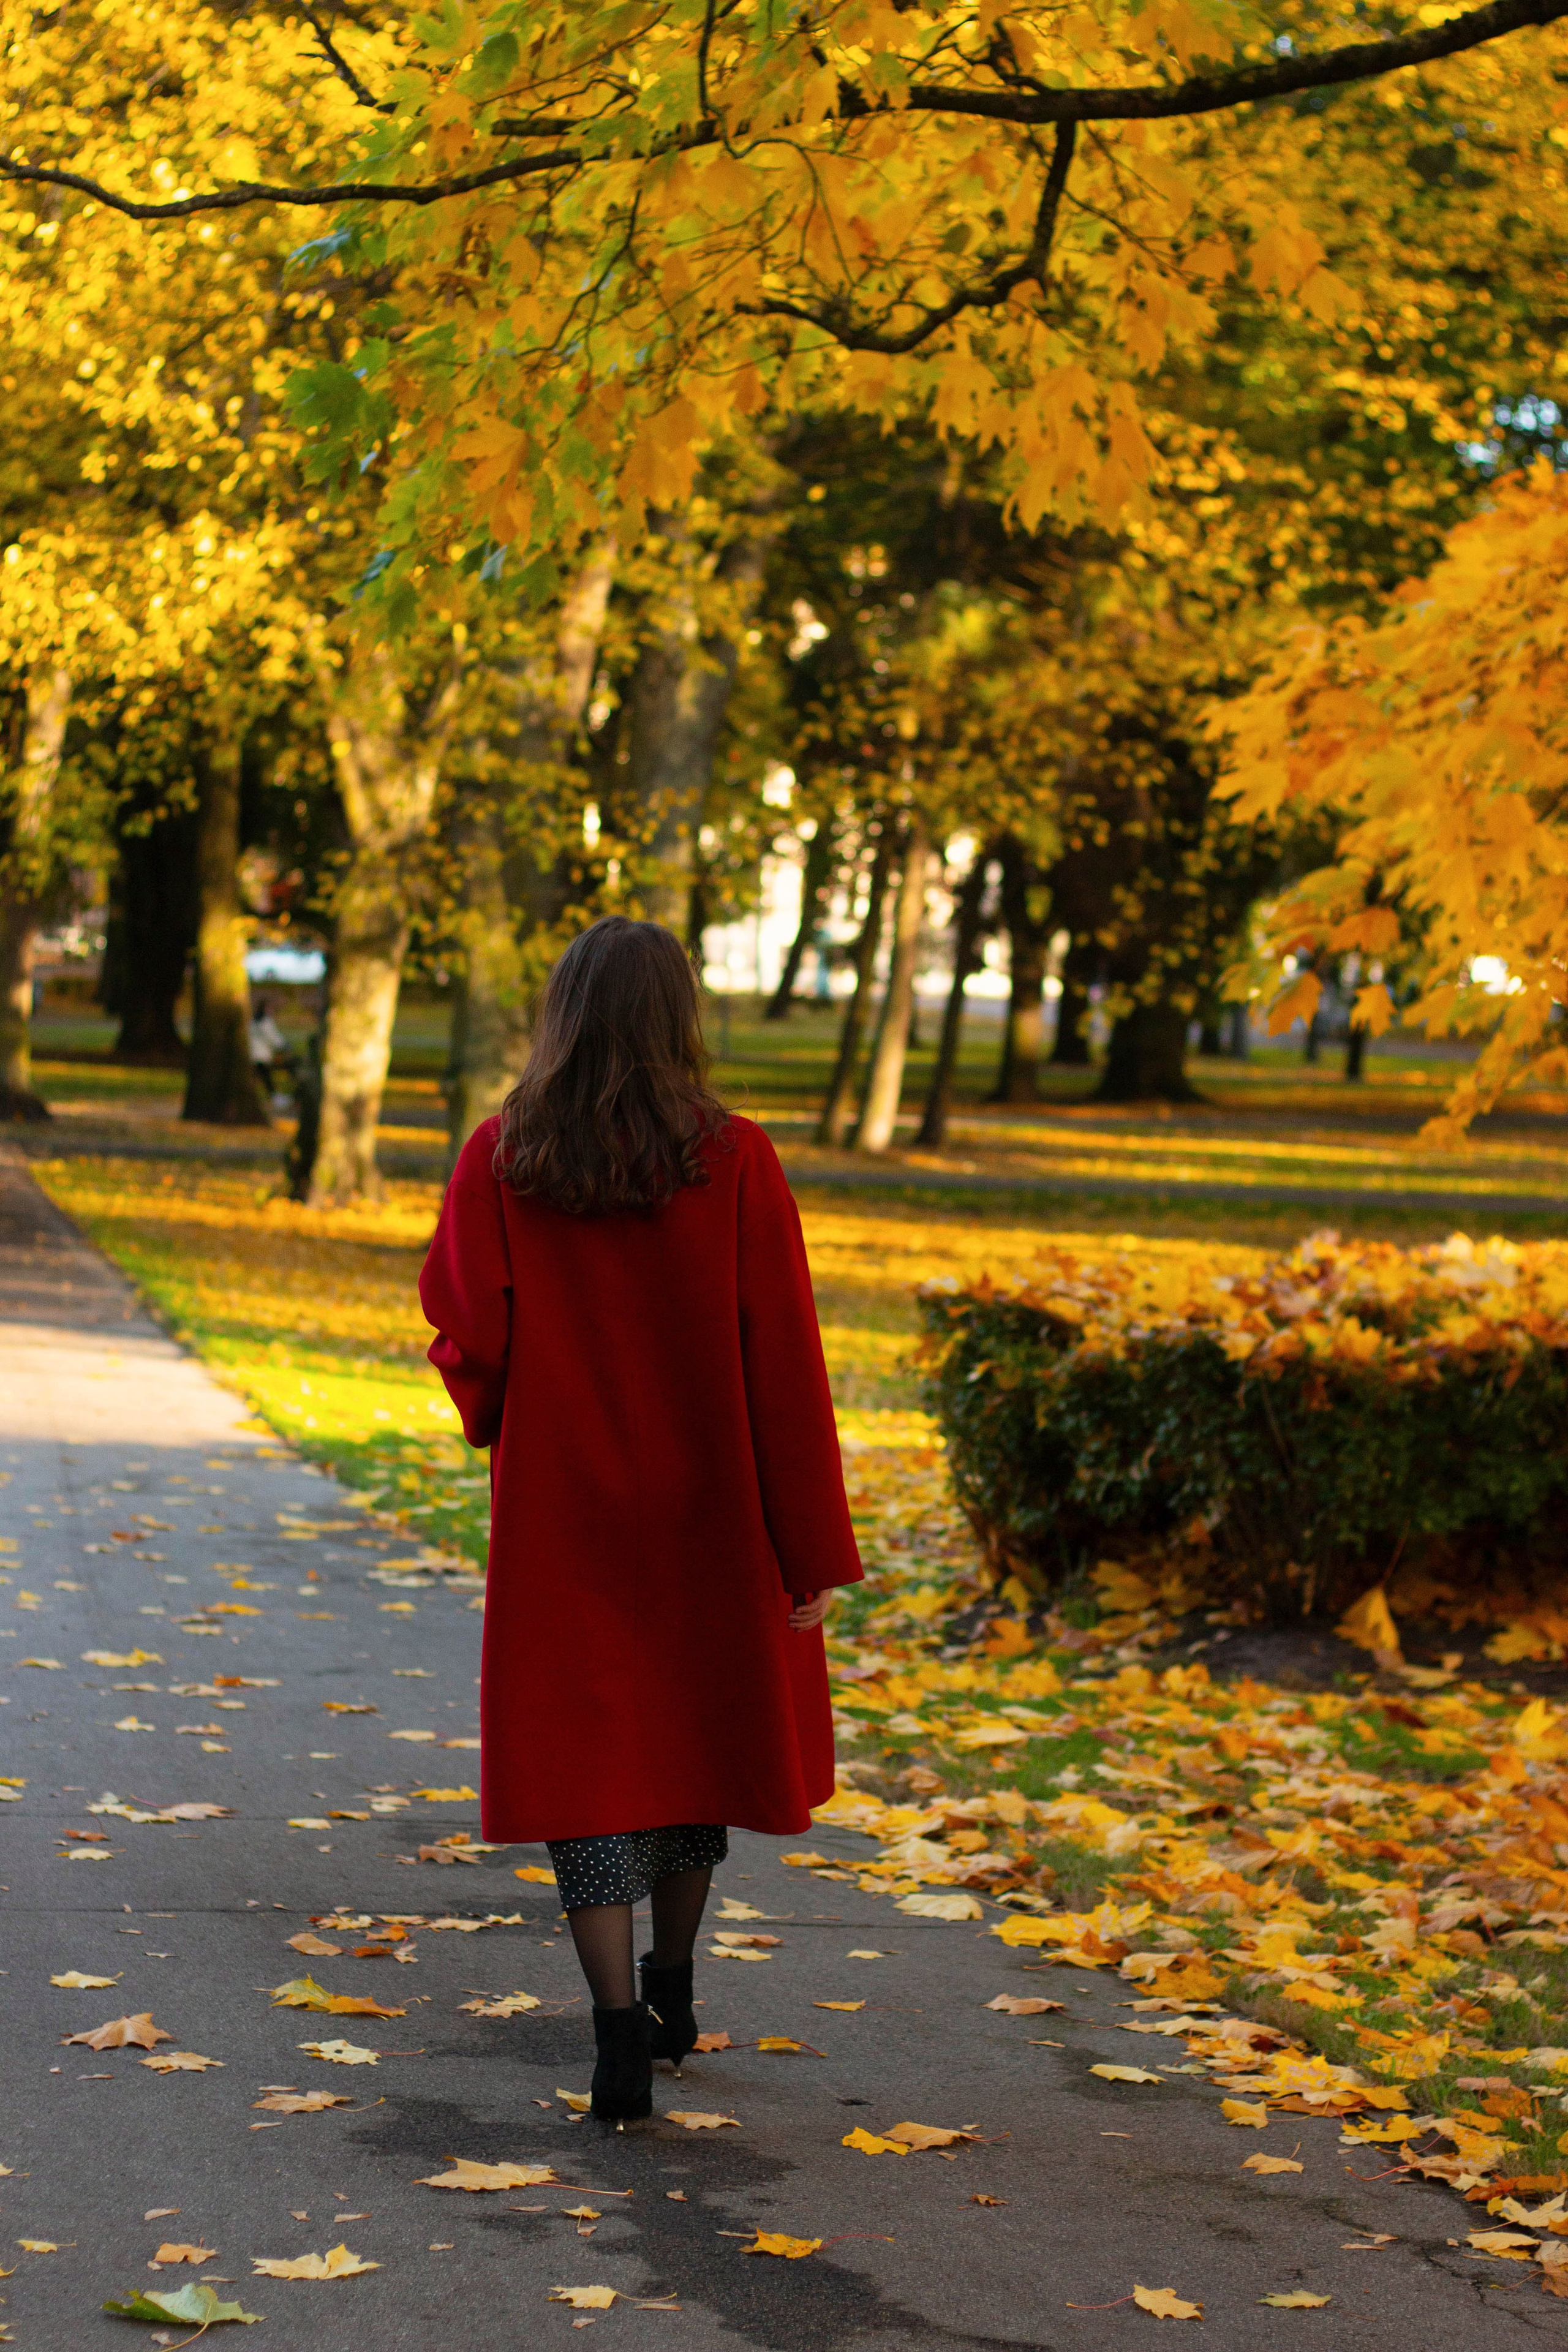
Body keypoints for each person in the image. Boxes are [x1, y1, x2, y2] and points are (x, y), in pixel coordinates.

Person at [419, 916, 862, 2122]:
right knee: (688, 1747)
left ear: (561, 1013)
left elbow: (473, 1333)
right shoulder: (736, 1161)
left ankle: (617, 2029)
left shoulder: (503, 1156)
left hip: (567, 1513)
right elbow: (784, 1362)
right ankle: (672, 1983)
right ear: (679, 1019)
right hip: (708, 1511)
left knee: (588, 1771)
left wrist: (496, 1410)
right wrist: (806, 1545)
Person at [248, 995, 290, 1095]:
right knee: (266, 1078)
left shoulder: (253, 1020)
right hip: (262, 1055)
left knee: (260, 1077)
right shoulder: (266, 1021)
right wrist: (284, 1046)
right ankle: (274, 1096)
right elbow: (273, 1038)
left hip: (254, 1054)